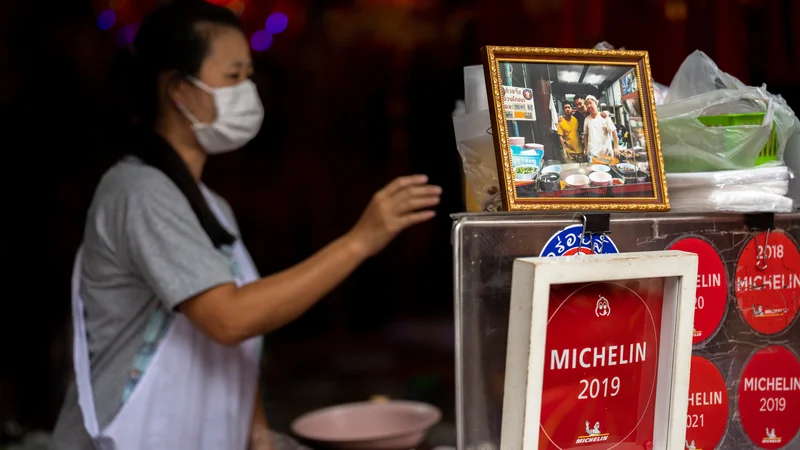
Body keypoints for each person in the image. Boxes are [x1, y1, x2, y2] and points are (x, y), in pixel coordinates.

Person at [49, 1, 442, 449]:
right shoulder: (140, 192)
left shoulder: (210, 205)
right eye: (232, 76)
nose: (247, 90)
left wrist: (254, 428)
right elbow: (230, 318)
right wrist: (359, 242)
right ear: (179, 89)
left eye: (248, 76)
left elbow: (241, 335)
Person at [582, 95, 619, 160]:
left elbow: (614, 131)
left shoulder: (604, 116)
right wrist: (586, 149)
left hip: (605, 153)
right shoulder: (586, 119)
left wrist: (616, 147)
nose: (589, 106)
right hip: (593, 153)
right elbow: (585, 135)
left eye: (590, 103)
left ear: (596, 103)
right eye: (587, 104)